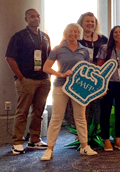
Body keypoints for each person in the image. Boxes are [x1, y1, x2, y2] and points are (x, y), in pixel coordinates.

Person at [40, 23, 98, 161]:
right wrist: (61, 74)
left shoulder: (84, 50)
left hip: (78, 88)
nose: (73, 34)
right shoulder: (58, 49)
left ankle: (84, 146)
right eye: (70, 32)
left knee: (81, 117)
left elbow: (88, 69)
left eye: (76, 32)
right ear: (65, 33)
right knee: (56, 118)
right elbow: (46, 68)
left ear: (79, 34)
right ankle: (49, 149)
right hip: (61, 86)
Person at [5, 9, 52, 154]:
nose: (36, 18)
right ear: (26, 19)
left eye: (38, 16)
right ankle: (17, 142)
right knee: (22, 112)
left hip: (43, 80)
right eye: (32, 16)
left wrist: (49, 76)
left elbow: (49, 57)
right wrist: (21, 77)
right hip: (26, 80)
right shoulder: (19, 36)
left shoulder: (45, 37)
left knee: (38, 112)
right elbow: (10, 58)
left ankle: (34, 140)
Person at [64, 12, 108, 142]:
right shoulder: (76, 38)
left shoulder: (103, 39)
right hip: (80, 78)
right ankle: (81, 136)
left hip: (97, 78)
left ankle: (94, 134)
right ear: (81, 23)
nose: (90, 24)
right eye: (87, 21)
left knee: (97, 107)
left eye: (92, 21)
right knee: (82, 107)